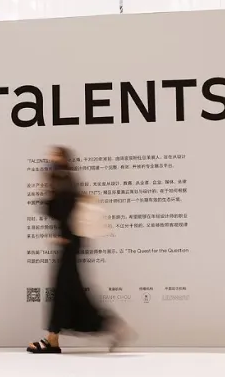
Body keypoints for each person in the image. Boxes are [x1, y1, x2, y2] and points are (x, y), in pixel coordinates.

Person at [27, 146, 131, 354]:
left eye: (55, 154)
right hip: (70, 244)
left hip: (69, 245)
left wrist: (63, 236)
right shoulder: (62, 178)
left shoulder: (63, 179)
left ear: (63, 158)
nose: (50, 157)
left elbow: (60, 209)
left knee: (65, 291)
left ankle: (55, 339)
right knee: (69, 292)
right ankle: (105, 327)